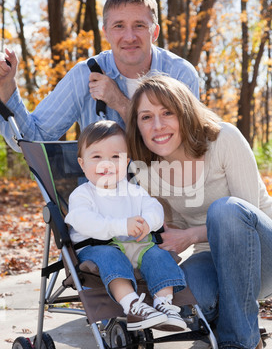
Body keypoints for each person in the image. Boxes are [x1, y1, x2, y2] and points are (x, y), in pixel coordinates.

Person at [126, 74, 272, 349]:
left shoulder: (224, 139)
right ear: (137, 126)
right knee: (172, 296)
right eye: (146, 117)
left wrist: (191, 235)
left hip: (271, 259)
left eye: (167, 112)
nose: (158, 125)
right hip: (213, 259)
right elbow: (171, 233)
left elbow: (245, 216)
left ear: (184, 111)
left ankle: (242, 343)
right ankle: (225, 319)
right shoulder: (147, 172)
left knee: (226, 210)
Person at [0, 0, 199, 151]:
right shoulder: (83, 76)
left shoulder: (180, 74)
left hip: (165, 193)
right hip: (100, 196)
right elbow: (32, 140)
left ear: (154, 32)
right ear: (106, 33)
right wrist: (7, 87)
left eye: (139, 25)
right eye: (119, 26)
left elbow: (187, 148)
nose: (129, 37)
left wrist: (119, 102)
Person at [65, 119, 187, 332]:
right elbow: (85, 222)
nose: (107, 164)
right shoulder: (82, 195)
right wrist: (121, 225)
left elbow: (155, 208)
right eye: (96, 157)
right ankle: (133, 304)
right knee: (111, 256)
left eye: (115, 157)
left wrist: (148, 223)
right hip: (97, 249)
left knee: (158, 255)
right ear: (82, 164)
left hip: (136, 246)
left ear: (127, 161)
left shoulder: (133, 190)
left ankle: (164, 304)